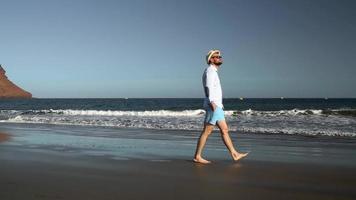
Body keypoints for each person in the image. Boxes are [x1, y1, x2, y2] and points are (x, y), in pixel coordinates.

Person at [193, 50, 248, 164]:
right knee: (207, 131)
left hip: (217, 106)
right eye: (216, 56)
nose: (219, 58)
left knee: (224, 130)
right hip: (213, 105)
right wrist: (212, 101)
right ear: (211, 59)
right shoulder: (210, 71)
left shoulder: (213, 71)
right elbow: (208, 87)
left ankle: (234, 154)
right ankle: (197, 156)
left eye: (219, 56)